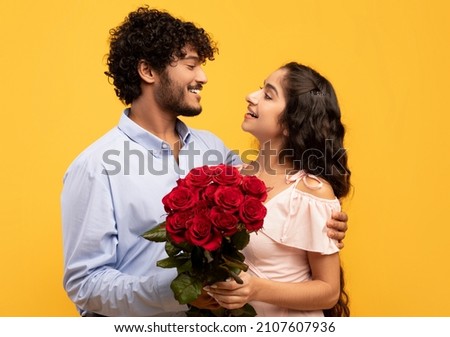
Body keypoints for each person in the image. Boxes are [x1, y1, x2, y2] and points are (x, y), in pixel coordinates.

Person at [61, 6, 349, 317]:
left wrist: (326, 217)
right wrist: (179, 293)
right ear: (148, 72)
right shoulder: (96, 167)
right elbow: (85, 283)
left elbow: (279, 187)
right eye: (191, 65)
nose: (203, 77)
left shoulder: (214, 150)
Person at [205, 62, 351, 316]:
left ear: (290, 123)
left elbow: (328, 292)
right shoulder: (231, 178)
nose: (251, 96)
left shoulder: (311, 192)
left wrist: (256, 289)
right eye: (261, 88)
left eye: (268, 94)